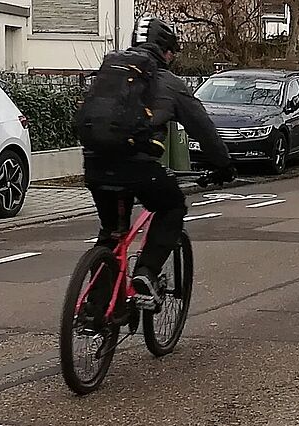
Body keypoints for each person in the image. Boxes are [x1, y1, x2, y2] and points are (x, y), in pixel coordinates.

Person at [83, 16, 234, 310]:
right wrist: (223, 165)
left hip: (95, 162)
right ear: (165, 51)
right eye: (172, 51)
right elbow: (203, 129)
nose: (172, 57)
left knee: (111, 233)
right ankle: (146, 274)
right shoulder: (169, 83)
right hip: (138, 167)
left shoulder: (111, 74)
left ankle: (95, 310)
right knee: (172, 205)